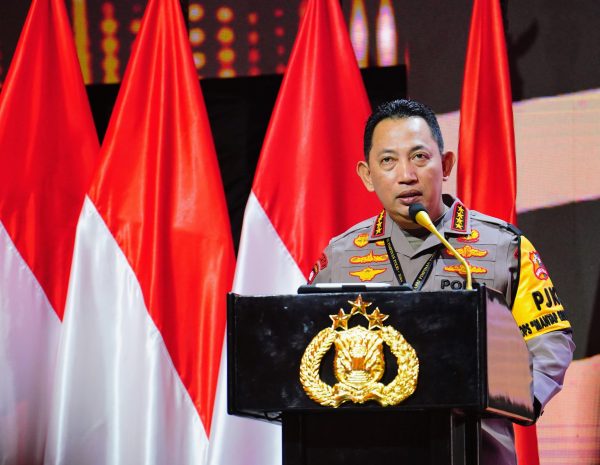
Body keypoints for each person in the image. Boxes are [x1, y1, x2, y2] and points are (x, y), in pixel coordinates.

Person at [309, 98, 574, 464]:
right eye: (388, 161)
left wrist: (516, 400)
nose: (406, 174)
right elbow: (307, 345)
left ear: (446, 164)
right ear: (367, 175)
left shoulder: (504, 247)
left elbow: (550, 338)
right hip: (370, 449)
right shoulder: (341, 256)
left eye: (419, 157)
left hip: (476, 450)